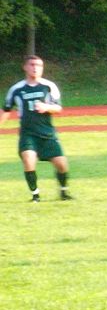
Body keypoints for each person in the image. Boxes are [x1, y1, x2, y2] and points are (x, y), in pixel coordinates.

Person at [0, 55, 72, 202]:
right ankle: (35, 195)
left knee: (62, 165)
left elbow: (58, 108)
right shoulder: (17, 89)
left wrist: (47, 107)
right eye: (32, 65)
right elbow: (6, 109)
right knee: (28, 160)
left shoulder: (49, 86)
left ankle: (64, 192)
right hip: (28, 134)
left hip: (47, 133)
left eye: (39, 65)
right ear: (25, 67)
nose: (35, 68)